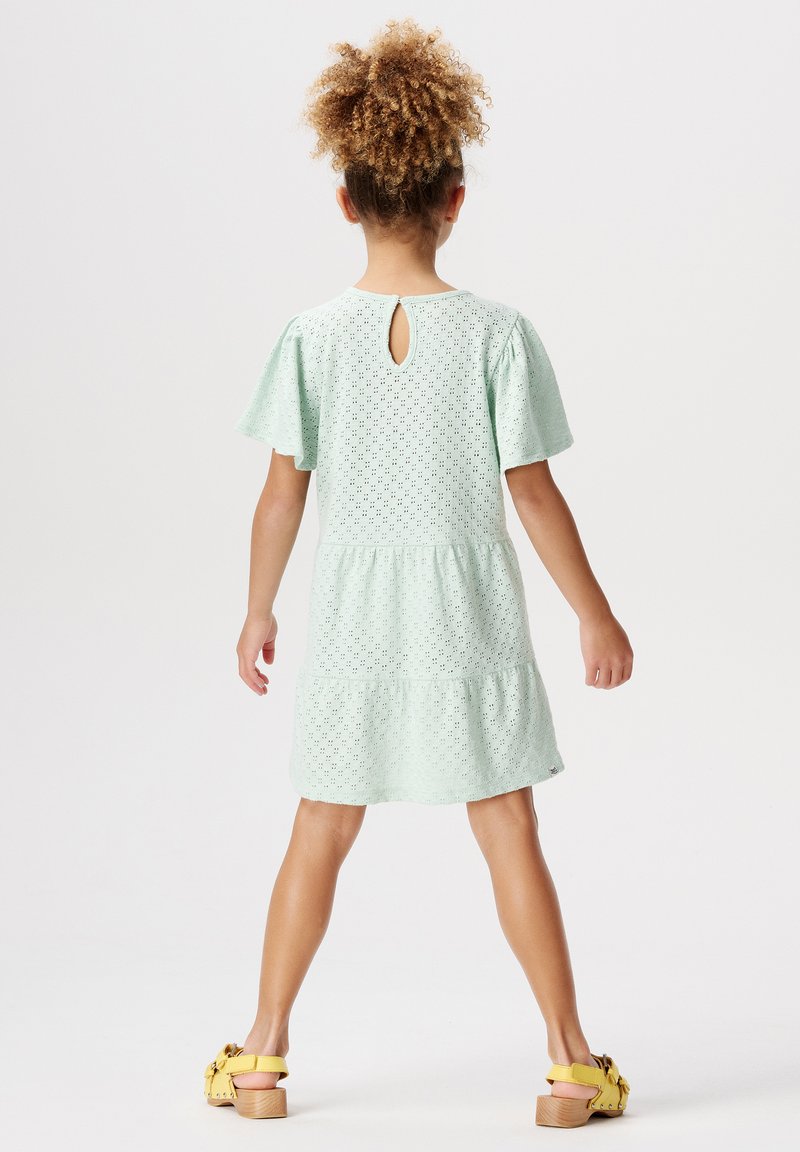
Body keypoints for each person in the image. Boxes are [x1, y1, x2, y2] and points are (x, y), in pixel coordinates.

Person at [203, 17, 633, 1128]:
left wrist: (257, 608)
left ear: (344, 201)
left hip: (354, 616)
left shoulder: (311, 336)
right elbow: (531, 493)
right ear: (454, 200)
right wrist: (594, 615)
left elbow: (281, 492)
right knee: (506, 826)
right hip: (467, 617)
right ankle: (569, 1065)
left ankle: (260, 1059)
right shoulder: (497, 334)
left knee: (320, 824)